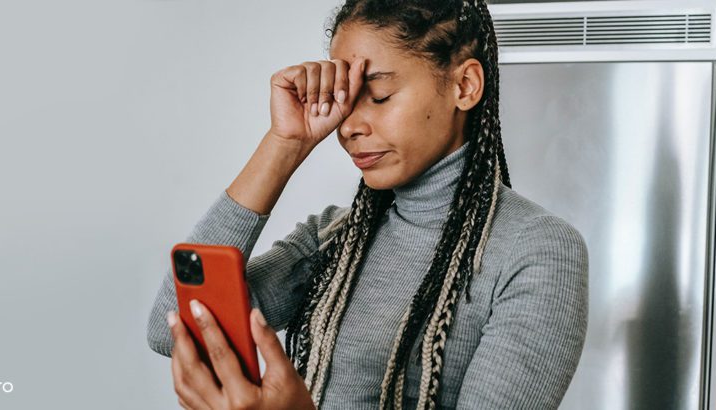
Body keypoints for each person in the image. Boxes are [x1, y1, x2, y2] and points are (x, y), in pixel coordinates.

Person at [146, 1, 588, 409]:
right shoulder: (333, 238)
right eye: (345, 103)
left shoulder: (537, 251)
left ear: (465, 85)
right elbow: (175, 322)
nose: (350, 127)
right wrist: (284, 143)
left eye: (378, 96)